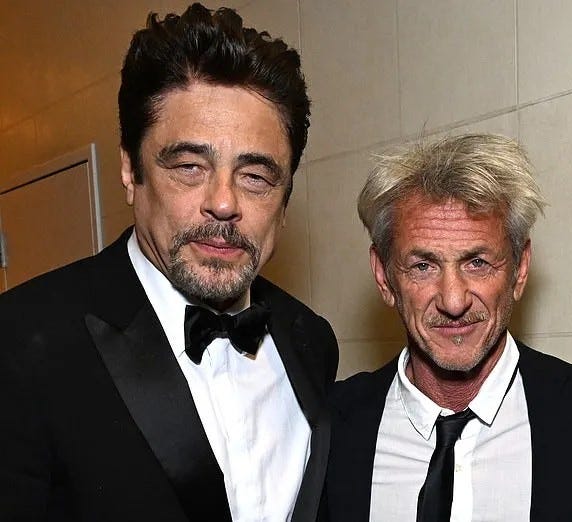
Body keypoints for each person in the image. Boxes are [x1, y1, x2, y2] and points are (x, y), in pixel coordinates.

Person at [0, 4, 337, 522]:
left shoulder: (310, 340)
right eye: (188, 166)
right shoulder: (20, 343)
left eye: (255, 176)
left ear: (285, 198)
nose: (223, 203)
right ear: (130, 170)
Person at [324, 134, 572, 521]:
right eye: (423, 266)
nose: (453, 302)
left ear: (520, 270)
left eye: (478, 263)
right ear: (384, 277)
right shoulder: (329, 431)